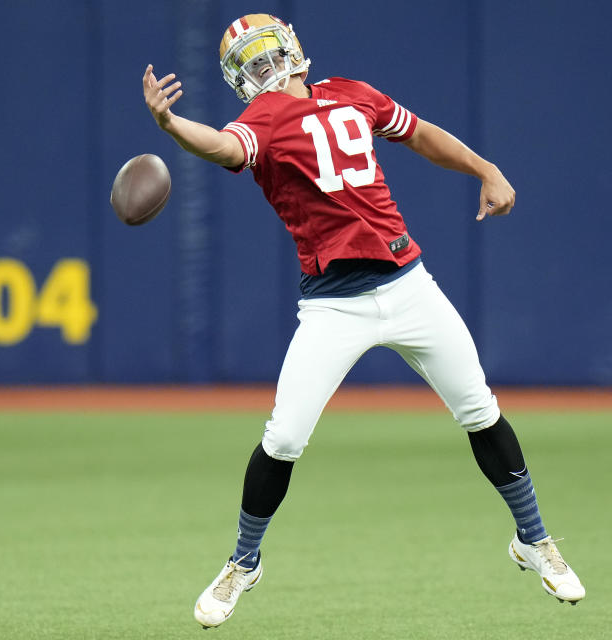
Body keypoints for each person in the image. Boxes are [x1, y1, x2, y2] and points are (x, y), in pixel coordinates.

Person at [142, 13, 585, 629]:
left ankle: (533, 540)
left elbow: (423, 135)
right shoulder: (260, 121)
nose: (267, 68)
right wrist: (169, 124)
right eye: (252, 63)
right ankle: (243, 562)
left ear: (295, 49)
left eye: (271, 52)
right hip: (333, 303)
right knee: (285, 438)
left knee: (480, 410)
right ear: (241, 81)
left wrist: (487, 168)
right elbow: (220, 145)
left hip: (408, 285)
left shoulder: (352, 92)